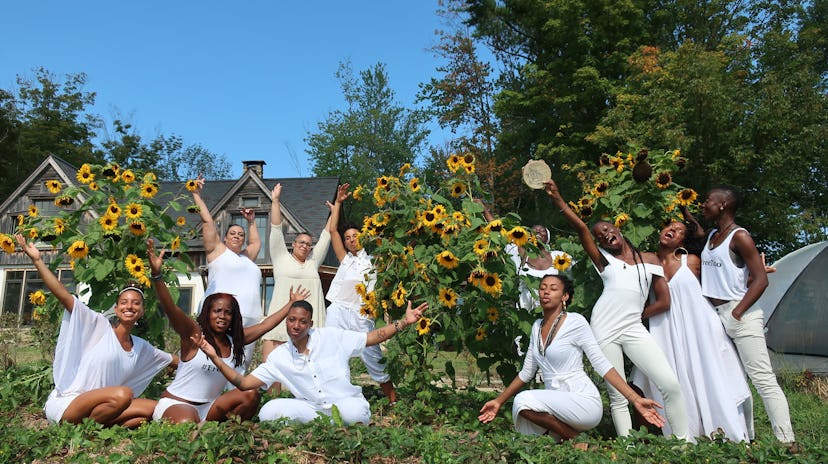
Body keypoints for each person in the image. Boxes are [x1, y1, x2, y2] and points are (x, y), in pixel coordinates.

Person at [543, 179, 689, 440]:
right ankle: (628, 446)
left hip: (633, 328)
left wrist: (639, 315)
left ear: (618, 229)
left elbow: (664, 301)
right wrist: (557, 198)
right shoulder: (603, 260)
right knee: (618, 392)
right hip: (604, 329)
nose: (605, 235)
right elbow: (580, 228)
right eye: (599, 236)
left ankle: (683, 444)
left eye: (608, 229)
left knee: (670, 385)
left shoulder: (651, 259)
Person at [479, 274, 666, 440]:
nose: (545, 292)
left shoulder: (575, 322)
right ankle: (562, 435)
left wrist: (635, 399)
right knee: (525, 424)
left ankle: (575, 438)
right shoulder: (536, 326)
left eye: (553, 289)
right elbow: (527, 372)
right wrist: (498, 401)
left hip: (582, 401)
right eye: (542, 288)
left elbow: (601, 364)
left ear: (565, 296)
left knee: (522, 401)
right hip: (557, 403)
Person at [16, 234, 174, 427]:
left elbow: (175, 360)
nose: (129, 307)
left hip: (105, 405)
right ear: (116, 309)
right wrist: (37, 260)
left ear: (141, 311)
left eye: (136, 303)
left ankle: (96, 424)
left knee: (153, 409)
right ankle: (84, 431)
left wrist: (209, 358)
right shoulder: (98, 325)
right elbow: (64, 295)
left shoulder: (141, 347)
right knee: (124, 394)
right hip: (70, 403)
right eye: (124, 303)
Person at [147, 239, 311, 423]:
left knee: (250, 394)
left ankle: (228, 430)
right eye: (217, 311)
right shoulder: (194, 334)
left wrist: (290, 304)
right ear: (207, 313)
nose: (222, 316)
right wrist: (157, 275)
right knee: (186, 422)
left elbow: (265, 325)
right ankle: (198, 430)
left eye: (228, 313)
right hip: (176, 404)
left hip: (209, 409)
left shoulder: (234, 340)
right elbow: (171, 308)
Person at [195, 299, 428, 425]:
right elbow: (245, 383)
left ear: (310, 323)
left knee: (354, 414)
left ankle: (342, 422)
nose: (296, 326)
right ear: (286, 322)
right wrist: (215, 358)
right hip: (313, 409)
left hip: (344, 403)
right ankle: (328, 425)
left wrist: (404, 322)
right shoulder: (279, 357)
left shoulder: (332, 337)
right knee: (268, 412)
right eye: (292, 320)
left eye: (302, 322)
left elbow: (372, 337)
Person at [631, 221, 752, 442]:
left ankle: (723, 430)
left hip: (700, 328)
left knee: (710, 375)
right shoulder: (647, 261)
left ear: (682, 242)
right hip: (664, 330)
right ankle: (678, 431)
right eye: (669, 226)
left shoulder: (693, 261)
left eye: (678, 232)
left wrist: (750, 277)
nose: (671, 231)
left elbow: (720, 284)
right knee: (662, 376)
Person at [698, 187, 795, 443]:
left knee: (762, 379)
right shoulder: (711, 236)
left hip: (741, 315)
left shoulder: (739, 237)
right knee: (733, 379)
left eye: (708, 200)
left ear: (723, 205)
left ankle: (787, 441)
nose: (703, 204)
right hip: (716, 315)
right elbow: (697, 232)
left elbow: (761, 280)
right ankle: (745, 436)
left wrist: (738, 313)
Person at [325, 183, 397, 403]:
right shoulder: (344, 260)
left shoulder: (375, 261)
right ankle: (334, 398)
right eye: (347, 238)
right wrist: (338, 203)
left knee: (372, 355)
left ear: (363, 236)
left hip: (361, 314)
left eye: (354, 236)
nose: (350, 240)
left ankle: (393, 400)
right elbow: (331, 231)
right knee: (332, 354)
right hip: (337, 310)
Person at [191, 174, 262, 369]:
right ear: (224, 238)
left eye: (241, 235)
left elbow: (256, 242)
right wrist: (197, 195)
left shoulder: (247, 258)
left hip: (248, 317)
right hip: (222, 316)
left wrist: (251, 221)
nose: (237, 236)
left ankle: (233, 396)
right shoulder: (217, 252)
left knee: (239, 365)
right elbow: (208, 223)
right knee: (214, 360)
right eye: (233, 233)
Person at [261, 183, 332, 365]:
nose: (304, 246)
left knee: (308, 369)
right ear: (293, 244)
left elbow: (326, 235)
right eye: (301, 242)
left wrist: (336, 206)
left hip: (309, 324)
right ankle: (271, 395)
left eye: (308, 244)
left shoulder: (313, 262)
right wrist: (275, 201)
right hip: (280, 319)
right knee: (272, 369)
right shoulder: (281, 258)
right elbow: (276, 228)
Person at [476, 199, 570, 311]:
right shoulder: (517, 252)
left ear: (547, 238)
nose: (538, 233)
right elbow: (499, 231)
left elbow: (573, 277)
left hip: (552, 309)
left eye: (542, 231)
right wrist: (484, 210)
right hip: (525, 309)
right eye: (534, 231)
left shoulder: (558, 257)